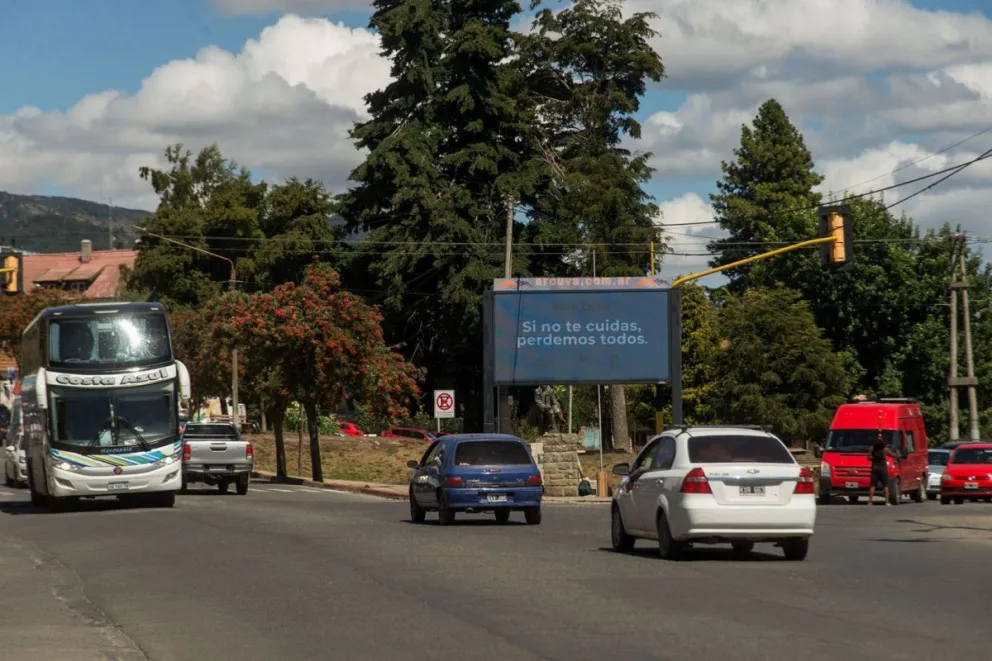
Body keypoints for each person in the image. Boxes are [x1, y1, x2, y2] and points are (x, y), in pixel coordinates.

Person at [867, 432, 897, 505]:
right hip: (883, 468)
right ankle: (886, 502)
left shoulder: (872, 448)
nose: (879, 438)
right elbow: (894, 455)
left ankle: (870, 501)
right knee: (885, 485)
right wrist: (895, 455)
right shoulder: (885, 449)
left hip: (874, 468)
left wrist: (874, 458)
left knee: (872, 485)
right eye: (879, 437)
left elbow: (868, 457)